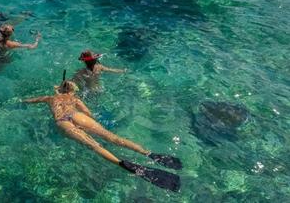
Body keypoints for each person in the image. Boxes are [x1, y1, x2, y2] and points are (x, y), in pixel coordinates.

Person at [23, 74, 182, 192]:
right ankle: (149, 154)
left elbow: (30, 101)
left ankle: (123, 164)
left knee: (94, 145)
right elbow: (89, 113)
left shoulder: (50, 98)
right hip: (77, 115)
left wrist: (24, 101)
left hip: (62, 121)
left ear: (59, 89)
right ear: (73, 90)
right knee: (112, 137)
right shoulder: (76, 100)